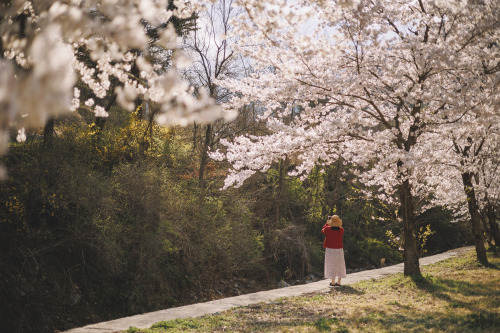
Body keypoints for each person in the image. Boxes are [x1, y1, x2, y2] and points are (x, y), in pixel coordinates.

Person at [322, 215, 346, 286]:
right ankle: (339, 281)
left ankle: (333, 282)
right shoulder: (341, 230)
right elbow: (339, 228)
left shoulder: (327, 229)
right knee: (340, 264)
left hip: (330, 249)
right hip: (339, 249)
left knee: (331, 264)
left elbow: (323, 230)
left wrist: (327, 223)